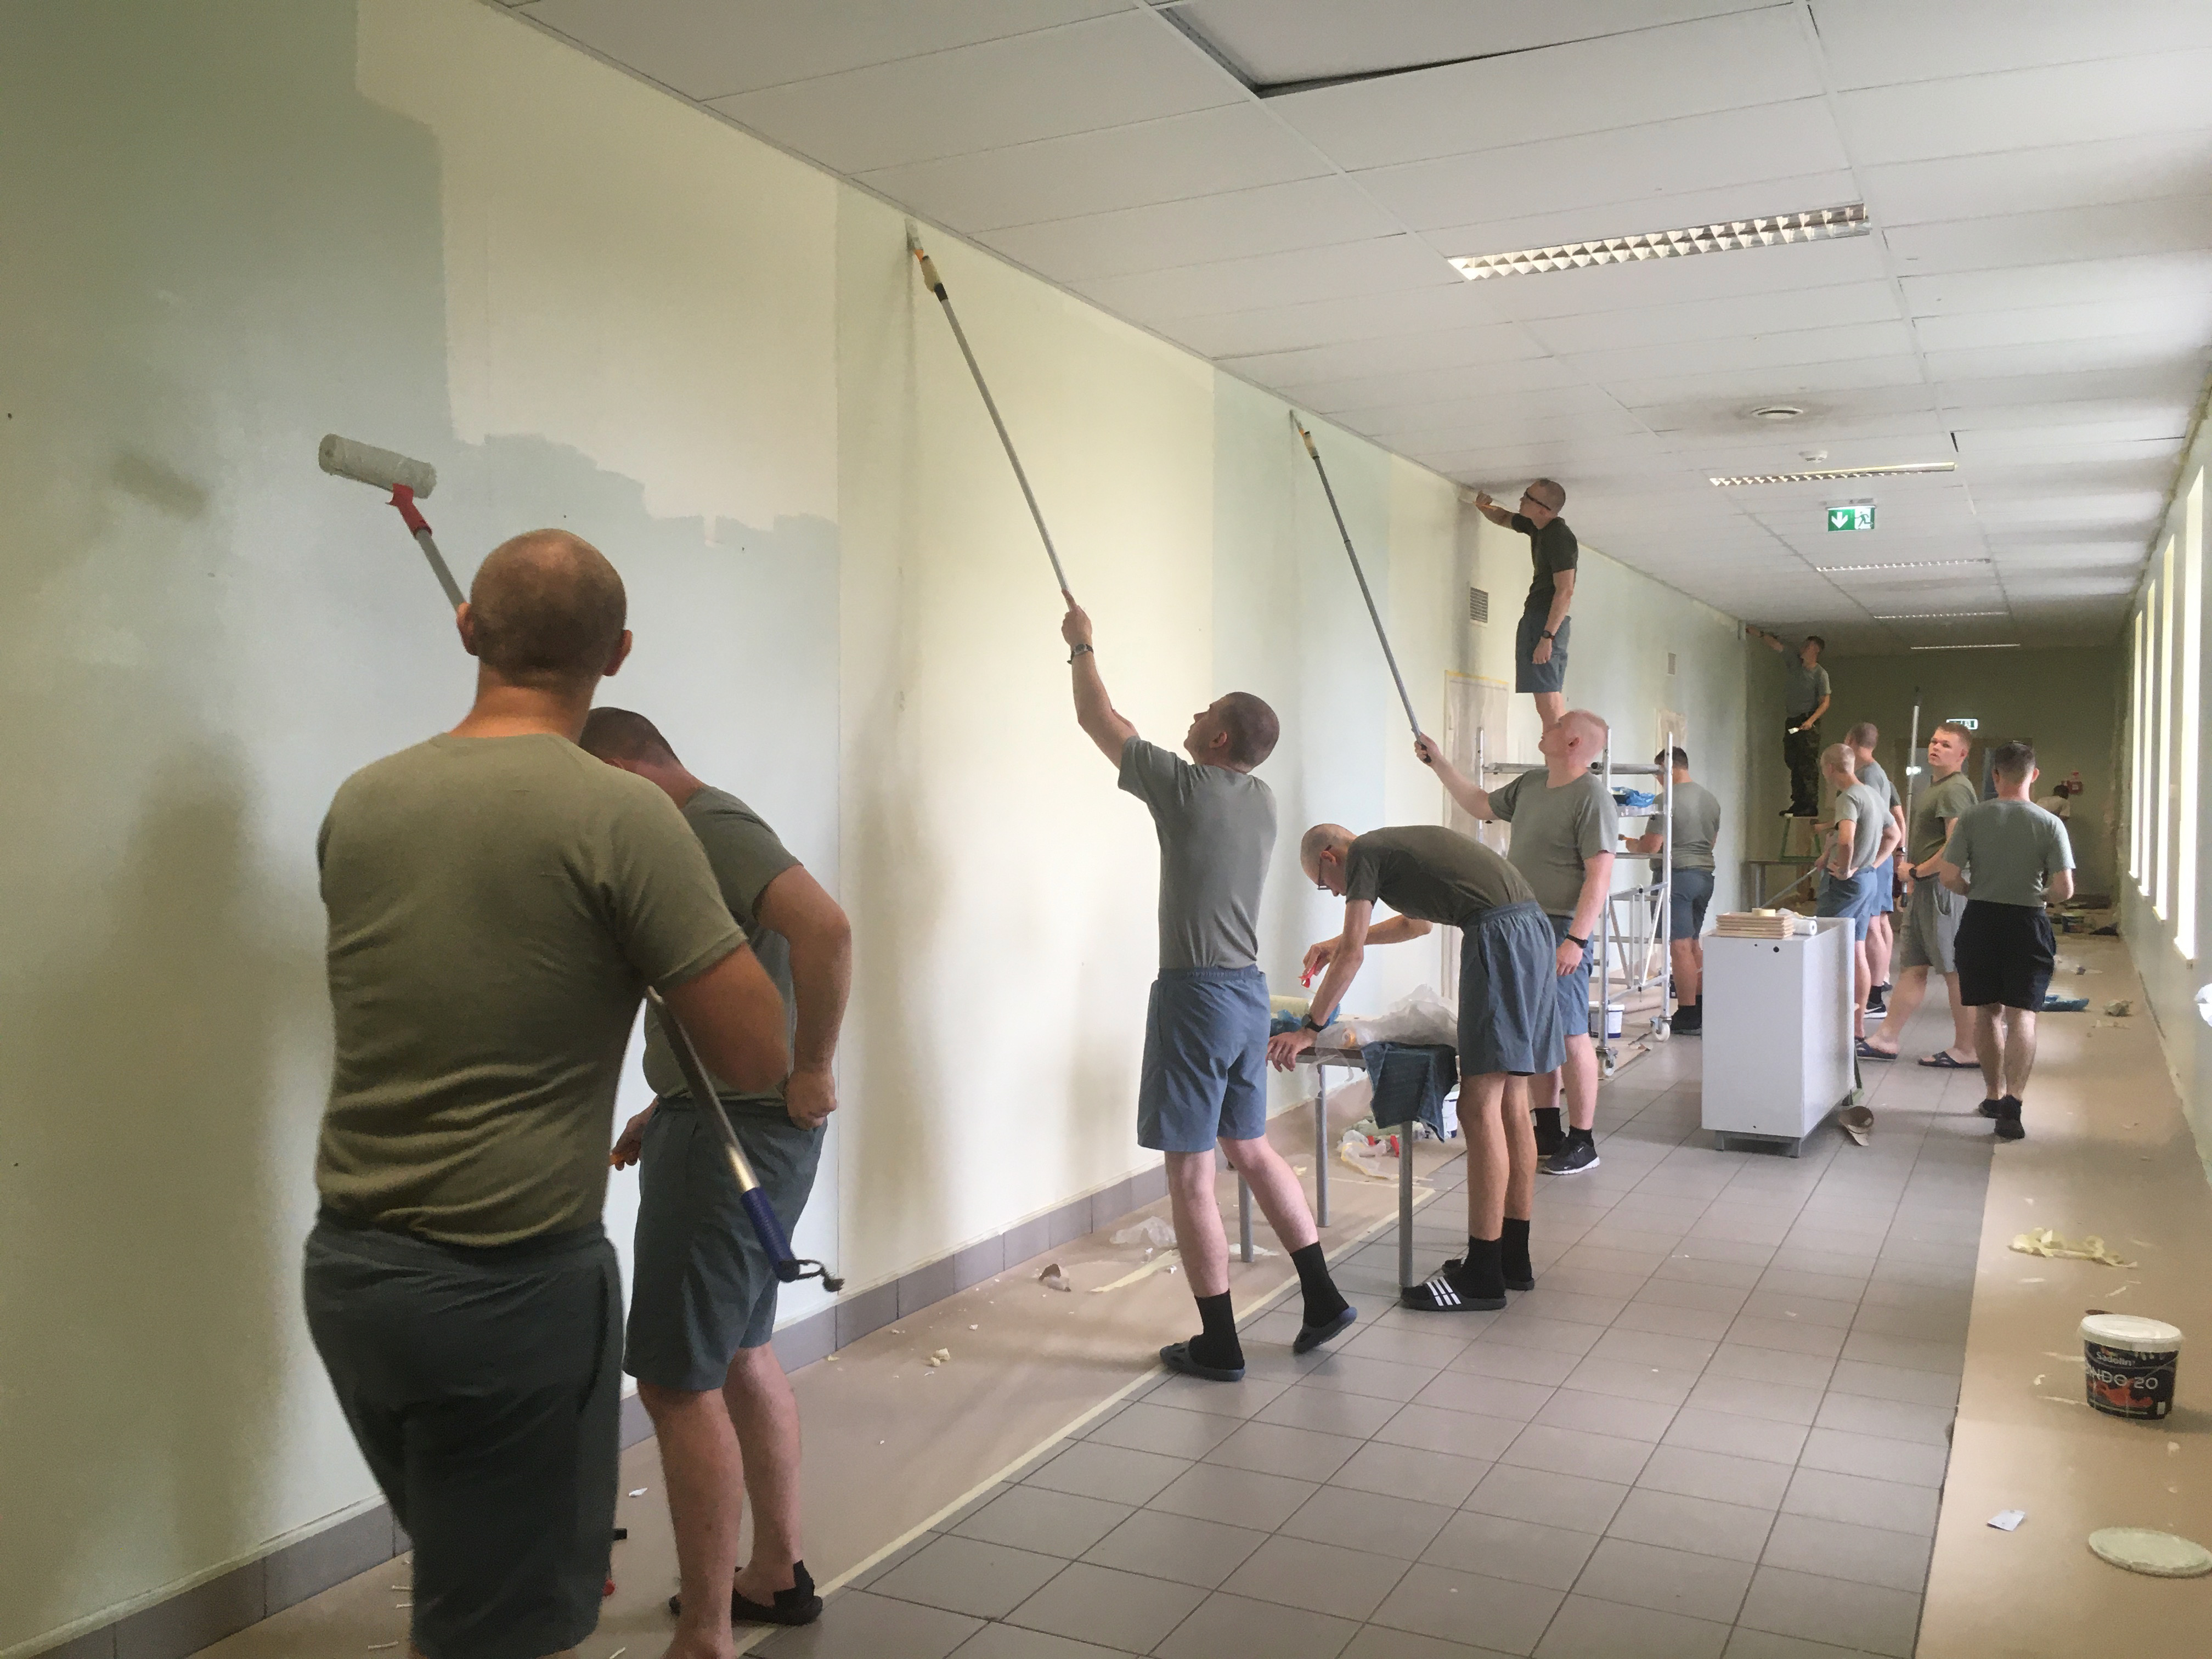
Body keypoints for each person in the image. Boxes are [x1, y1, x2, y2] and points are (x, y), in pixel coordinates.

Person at [304, 532, 790, 1659]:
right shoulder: (623, 816)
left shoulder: (362, 800)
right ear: (617, 655)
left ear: (467, 627)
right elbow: (756, 1052)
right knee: (501, 1627)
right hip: (508, 1291)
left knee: (473, 1578)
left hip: (355, 1281)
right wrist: (654, 938)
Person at [581, 710, 852, 1638]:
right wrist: (667, 1104)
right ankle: (775, 1573)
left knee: (675, 1382)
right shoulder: (696, 835)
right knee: (738, 1352)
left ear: (624, 771)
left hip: (736, 1133)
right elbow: (730, 986)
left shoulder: (707, 826)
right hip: (720, 1118)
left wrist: (814, 1064)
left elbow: (827, 928)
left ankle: (705, 1634)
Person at [1060, 599, 1352, 1383]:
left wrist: (1081, 645)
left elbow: (1098, 718)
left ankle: (1219, 1343)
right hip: (1248, 995)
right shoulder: (1262, 801)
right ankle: (1323, 1296)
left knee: (1191, 1173)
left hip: (1194, 997)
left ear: (1219, 739)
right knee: (1250, 1149)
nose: (1191, 718)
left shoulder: (1185, 789)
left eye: (1204, 713)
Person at [1274, 825, 1563, 1310]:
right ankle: (1512, 1257)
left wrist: (1310, 1028)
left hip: (1498, 937)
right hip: (1530, 930)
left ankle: (1483, 1275)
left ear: (1330, 856)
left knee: (1477, 1106)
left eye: (1326, 885)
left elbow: (1353, 955)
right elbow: (1416, 926)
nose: (1338, 893)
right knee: (1512, 1099)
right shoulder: (1391, 851)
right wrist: (1336, 942)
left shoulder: (1364, 853)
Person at [1414, 711, 1616, 1175]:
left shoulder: (1593, 798)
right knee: (1538, 1028)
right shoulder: (1531, 785)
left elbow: (1599, 876)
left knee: (1570, 1031)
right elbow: (1480, 804)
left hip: (1563, 926)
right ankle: (1547, 1127)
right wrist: (1439, 763)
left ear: (1574, 743)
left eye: (1558, 726)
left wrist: (1577, 939)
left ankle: (1583, 1139)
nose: (1548, 727)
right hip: (1523, 923)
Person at [1936, 741, 2075, 1140]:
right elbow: (2064, 889)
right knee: (2023, 1014)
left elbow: (1948, 876)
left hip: (1981, 919)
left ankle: (1993, 1095)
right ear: (2035, 775)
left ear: (1995, 775)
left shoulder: (1972, 818)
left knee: (1987, 1011)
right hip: (2027, 921)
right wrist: (2037, 895)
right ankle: (2014, 1103)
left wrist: (1975, 891)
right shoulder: (2050, 824)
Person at [1861, 723, 1980, 1068]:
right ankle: (1886, 1039)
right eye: (1934, 741)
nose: (1936, 747)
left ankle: (1968, 1047)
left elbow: (1956, 846)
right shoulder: (1936, 787)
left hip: (1943, 890)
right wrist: (1916, 879)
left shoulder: (1955, 790)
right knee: (1914, 966)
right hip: (1926, 889)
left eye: (1946, 744)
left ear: (1962, 754)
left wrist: (1918, 871)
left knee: (1954, 969)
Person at [1621, 747, 1720, 1035]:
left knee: (1678, 945)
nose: (1658, 780)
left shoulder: (1666, 800)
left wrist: (1631, 844)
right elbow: (1711, 842)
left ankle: (1687, 1013)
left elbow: (1651, 846)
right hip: (1703, 875)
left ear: (1667, 768)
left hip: (1676, 877)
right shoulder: (1710, 799)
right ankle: (1700, 1007)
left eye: (1658, 773)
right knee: (1693, 943)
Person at [1469, 479, 1576, 730]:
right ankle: (1559, 746)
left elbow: (1565, 590)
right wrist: (1484, 507)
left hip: (1546, 621)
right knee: (1545, 695)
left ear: (1544, 510)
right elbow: (1505, 518)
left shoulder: (1560, 537)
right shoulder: (1538, 527)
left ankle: (1560, 749)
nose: (1521, 500)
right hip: (1539, 619)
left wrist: (1547, 637)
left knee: (1547, 696)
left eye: (1528, 497)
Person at [1815, 744, 1902, 1048]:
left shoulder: (1848, 798)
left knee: (1832, 950)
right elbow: (1894, 835)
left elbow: (1846, 839)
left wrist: (1844, 868)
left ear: (1830, 768)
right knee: (1857, 947)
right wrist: (1872, 865)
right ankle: (1856, 1024)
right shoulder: (1873, 795)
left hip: (1845, 886)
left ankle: (1831, 1020)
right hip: (1867, 880)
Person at [1846, 723, 1906, 1014]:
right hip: (1878, 856)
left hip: (1873, 857)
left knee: (1871, 926)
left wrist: (1862, 860)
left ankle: (1874, 996)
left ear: (1850, 740)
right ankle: (1876, 986)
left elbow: (1874, 820)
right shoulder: (1879, 774)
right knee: (1877, 923)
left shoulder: (1869, 776)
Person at [1747, 627, 1830, 816]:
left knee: (1806, 763)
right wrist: (1759, 634)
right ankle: (1798, 802)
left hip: (1807, 722)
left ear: (1815, 650)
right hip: (1793, 720)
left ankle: (1810, 804)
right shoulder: (1795, 663)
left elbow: (1825, 702)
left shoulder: (1820, 674)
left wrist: (1810, 721)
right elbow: (1777, 646)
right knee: (1793, 760)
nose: (1803, 648)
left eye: (1807, 646)